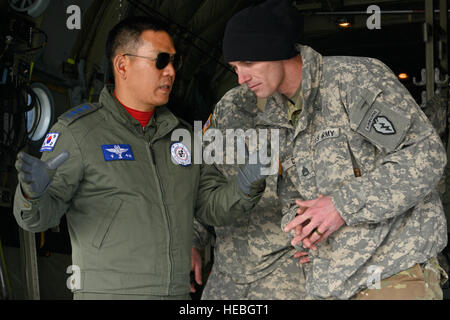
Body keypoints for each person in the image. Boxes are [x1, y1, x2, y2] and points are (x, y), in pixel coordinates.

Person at [194, 0, 449, 300]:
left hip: (393, 273)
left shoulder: (353, 81)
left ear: (276, 50)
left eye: (248, 64)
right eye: (235, 68)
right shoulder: (275, 116)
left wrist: (340, 205)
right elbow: (294, 198)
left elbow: (424, 156)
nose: (241, 78)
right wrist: (304, 235)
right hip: (332, 284)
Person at [13, 16, 267, 300]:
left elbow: (209, 207)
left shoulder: (183, 137)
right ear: (123, 65)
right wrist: (31, 195)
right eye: (160, 61)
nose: (170, 71)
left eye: (174, 61)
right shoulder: (80, 134)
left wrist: (245, 188)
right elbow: (36, 219)